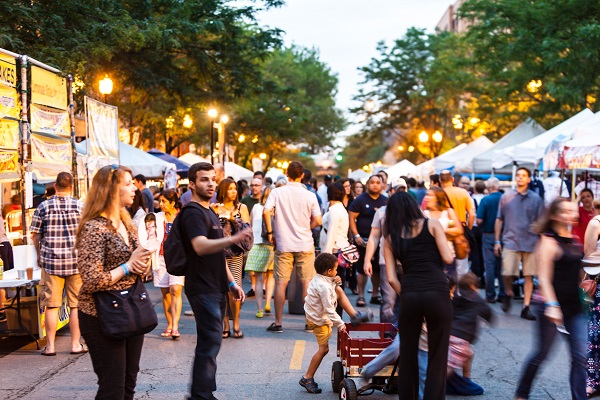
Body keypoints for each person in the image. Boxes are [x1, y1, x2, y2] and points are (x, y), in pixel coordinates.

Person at [75, 165, 152, 399]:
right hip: (101, 314)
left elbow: (136, 265)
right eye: (128, 183)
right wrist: (129, 265)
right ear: (110, 189)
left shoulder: (126, 222)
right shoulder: (93, 227)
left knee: (128, 383)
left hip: (130, 309)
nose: (134, 188)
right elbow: (91, 279)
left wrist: (142, 264)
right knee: (113, 388)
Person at [179, 162, 250, 400]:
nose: (210, 184)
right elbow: (200, 246)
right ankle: (200, 395)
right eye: (204, 180)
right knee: (209, 344)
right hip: (201, 287)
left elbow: (218, 256)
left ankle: (204, 391)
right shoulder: (193, 213)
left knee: (212, 342)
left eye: (212, 179)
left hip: (216, 286)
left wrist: (231, 283)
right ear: (192, 184)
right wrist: (232, 239)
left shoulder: (209, 211)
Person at [383, 191, 454, 400]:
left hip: (411, 294)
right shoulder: (432, 224)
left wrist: (407, 294)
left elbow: (392, 279)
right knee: (437, 354)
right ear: (414, 206)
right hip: (438, 292)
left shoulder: (390, 238)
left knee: (408, 353)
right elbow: (448, 258)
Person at [515, 198, 586, 400]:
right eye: (564, 211)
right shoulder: (547, 241)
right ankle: (521, 394)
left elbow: (578, 272)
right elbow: (544, 279)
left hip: (575, 307)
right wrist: (552, 305)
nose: (570, 214)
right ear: (554, 215)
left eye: (572, 211)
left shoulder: (575, 240)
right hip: (551, 306)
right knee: (542, 354)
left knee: (581, 357)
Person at [30, 172, 87, 356]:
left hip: (51, 262)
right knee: (75, 305)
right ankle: (75, 345)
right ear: (72, 187)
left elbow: (35, 234)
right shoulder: (80, 206)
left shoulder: (44, 206)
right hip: (75, 263)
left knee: (52, 305)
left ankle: (51, 347)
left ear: (55, 186)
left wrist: (39, 255)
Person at [264, 161, 322, 333]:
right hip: (304, 243)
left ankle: (278, 322)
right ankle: (308, 323)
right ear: (302, 175)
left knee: (281, 283)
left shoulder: (277, 192)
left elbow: (266, 211)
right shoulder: (310, 195)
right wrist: (307, 227)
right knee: (307, 284)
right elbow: (318, 220)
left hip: (283, 243)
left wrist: (270, 232)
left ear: (286, 174)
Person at [300, 252, 366, 394]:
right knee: (324, 349)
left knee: (339, 290)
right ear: (329, 271)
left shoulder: (320, 278)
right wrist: (340, 323)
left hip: (314, 314)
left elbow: (328, 288)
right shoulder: (323, 287)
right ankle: (307, 377)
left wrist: (334, 281)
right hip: (318, 320)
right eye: (336, 269)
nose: (337, 272)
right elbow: (329, 310)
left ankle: (354, 316)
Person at [495, 167, 544, 320]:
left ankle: (526, 306)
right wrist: (497, 240)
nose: (520, 178)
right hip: (511, 240)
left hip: (531, 242)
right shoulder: (506, 197)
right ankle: (509, 292)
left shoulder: (536, 199)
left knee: (529, 275)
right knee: (507, 272)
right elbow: (499, 219)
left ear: (529, 179)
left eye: (523, 176)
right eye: (518, 175)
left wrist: (542, 242)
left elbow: (541, 222)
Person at [363, 178, 406, 324]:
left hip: (409, 262)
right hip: (386, 262)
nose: (400, 193)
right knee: (389, 300)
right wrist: (367, 260)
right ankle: (387, 334)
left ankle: (404, 333)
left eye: (403, 190)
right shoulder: (382, 212)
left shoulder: (415, 211)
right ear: (391, 191)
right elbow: (374, 237)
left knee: (408, 299)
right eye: (397, 190)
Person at [214, 178, 250, 338]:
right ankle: (225, 324)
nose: (233, 191)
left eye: (235, 188)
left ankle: (236, 322)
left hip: (235, 254)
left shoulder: (241, 208)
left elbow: (247, 231)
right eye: (230, 189)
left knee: (235, 290)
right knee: (221, 290)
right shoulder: (213, 208)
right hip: (218, 254)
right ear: (223, 191)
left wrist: (231, 219)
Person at [446, 272, 494, 394]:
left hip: (449, 335)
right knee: (448, 368)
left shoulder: (455, 297)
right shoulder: (478, 300)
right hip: (461, 339)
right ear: (473, 286)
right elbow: (489, 314)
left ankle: (466, 380)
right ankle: (432, 384)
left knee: (469, 354)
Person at [348, 175, 387, 307]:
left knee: (377, 269)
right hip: (363, 241)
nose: (375, 185)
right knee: (361, 269)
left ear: (382, 184)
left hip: (381, 242)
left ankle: (375, 295)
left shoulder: (386, 201)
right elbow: (351, 217)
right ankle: (361, 295)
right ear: (368, 184)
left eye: (377, 183)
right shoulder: (360, 200)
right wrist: (356, 236)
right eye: (372, 183)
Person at [153, 189, 185, 339]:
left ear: (173, 203)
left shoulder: (182, 216)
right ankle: (170, 324)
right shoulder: (156, 218)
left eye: (164, 201)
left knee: (175, 290)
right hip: (161, 258)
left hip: (178, 258)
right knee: (166, 293)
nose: (161, 204)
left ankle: (176, 326)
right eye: (160, 201)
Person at [319, 182, 351, 317]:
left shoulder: (335, 211)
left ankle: (335, 315)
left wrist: (325, 257)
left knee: (334, 285)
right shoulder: (339, 209)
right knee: (335, 285)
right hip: (338, 251)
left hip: (334, 252)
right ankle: (336, 314)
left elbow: (331, 233)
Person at [245, 186, 275, 318]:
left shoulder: (256, 207)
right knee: (270, 277)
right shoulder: (275, 210)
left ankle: (259, 309)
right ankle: (268, 302)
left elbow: (249, 225)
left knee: (258, 279)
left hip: (257, 244)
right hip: (272, 245)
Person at [440, 170, 475, 278]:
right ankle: (461, 292)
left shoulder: (440, 194)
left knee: (446, 265)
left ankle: (450, 290)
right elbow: (472, 214)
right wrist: (467, 228)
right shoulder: (463, 193)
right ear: (453, 179)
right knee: (462, 266)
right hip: (461, 230)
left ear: (441, 181)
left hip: (446, 231)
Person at [423, 186, 463, 280]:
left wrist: (439, 230)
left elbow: (459, 230)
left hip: (448, 255)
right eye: (426, 195)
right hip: (430, 257)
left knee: (450, 285)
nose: (426, 198)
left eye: (430, 195)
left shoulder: (448, 212)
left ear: (438, 197)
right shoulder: (424, 213)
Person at [476, 177, 505, 303]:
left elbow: (479, 220)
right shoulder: (505, 199)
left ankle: (490, 294)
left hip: (488, 234)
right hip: (504, 235)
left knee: (489, 266)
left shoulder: (485, 200)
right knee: (502, 266)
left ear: (488, 187)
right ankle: (503, 294)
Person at [584, 206, 600, 397]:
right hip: (598, 286)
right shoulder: (596, 223)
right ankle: (592, 380)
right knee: (595, 339)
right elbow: (588, 257)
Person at [0, 213, 14, 322]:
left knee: (1, 280)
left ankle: (2, 310)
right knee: (4, 278)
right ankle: (4, 309)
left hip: (1, 245)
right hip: (5, 243)